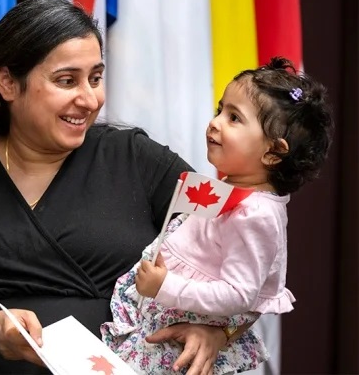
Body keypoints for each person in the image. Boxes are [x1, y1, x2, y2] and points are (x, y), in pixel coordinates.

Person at [0, 0, 233, 374]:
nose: (89, 99)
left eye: (96, 78)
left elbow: (251, 239)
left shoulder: (138, 157)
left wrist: (220, 330)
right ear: (7, 83)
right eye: (66, 81)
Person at [102, 57, 333, 374]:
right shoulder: (238, 188)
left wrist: (165, 286)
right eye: (220, 110)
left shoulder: (258, 214)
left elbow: (239, 295)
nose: (216, 122)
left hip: (183, 325)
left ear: (272, 152)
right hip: (164, 308)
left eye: (234, 118)